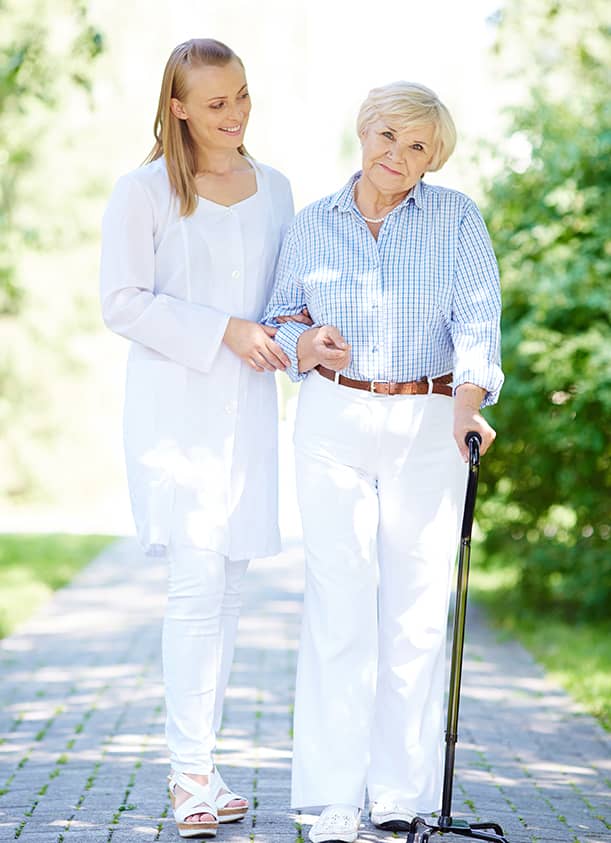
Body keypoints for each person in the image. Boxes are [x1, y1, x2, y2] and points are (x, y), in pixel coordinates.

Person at [263, 81, 504, 843]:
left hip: (429, 419)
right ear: (364, 130)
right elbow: (279, 315)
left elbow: (477, 321)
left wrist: (467, 405)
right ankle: (334, 798)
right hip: (333, 416)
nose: (397, 155)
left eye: (417, 146)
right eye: (388, 135)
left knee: (415, 612)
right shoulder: (311, 223)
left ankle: (398, 791)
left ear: (433, 159)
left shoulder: (456, 218)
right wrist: (306, 342)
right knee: (339, 604)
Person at [100, 38, 301, 839]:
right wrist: (223, 329)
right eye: (216, 102)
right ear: (178, 108)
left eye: (242, 95)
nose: (236, 113)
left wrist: (300, 339)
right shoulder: (143, 192)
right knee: (192, 587)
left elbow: (284, 300)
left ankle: (205, 765)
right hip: (174, 413)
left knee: (227, 591)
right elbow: (120, 301)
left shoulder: (276, 188)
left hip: (247, 410)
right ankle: (187, 772)